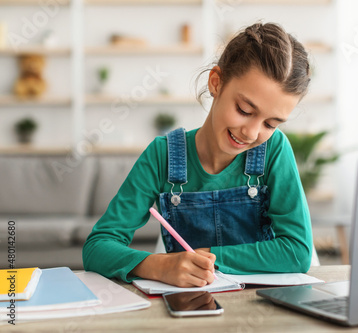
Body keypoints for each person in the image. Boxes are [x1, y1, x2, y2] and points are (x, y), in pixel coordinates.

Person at [83, 22, 313, 288]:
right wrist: (158, 265)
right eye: (244, 110)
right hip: (190, 306)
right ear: (216, 83)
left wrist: (210, 258)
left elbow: (297, 251)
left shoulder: (274, 150)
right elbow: (97, 247)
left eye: (270, 124)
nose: (251, 133)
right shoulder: (162, 155)